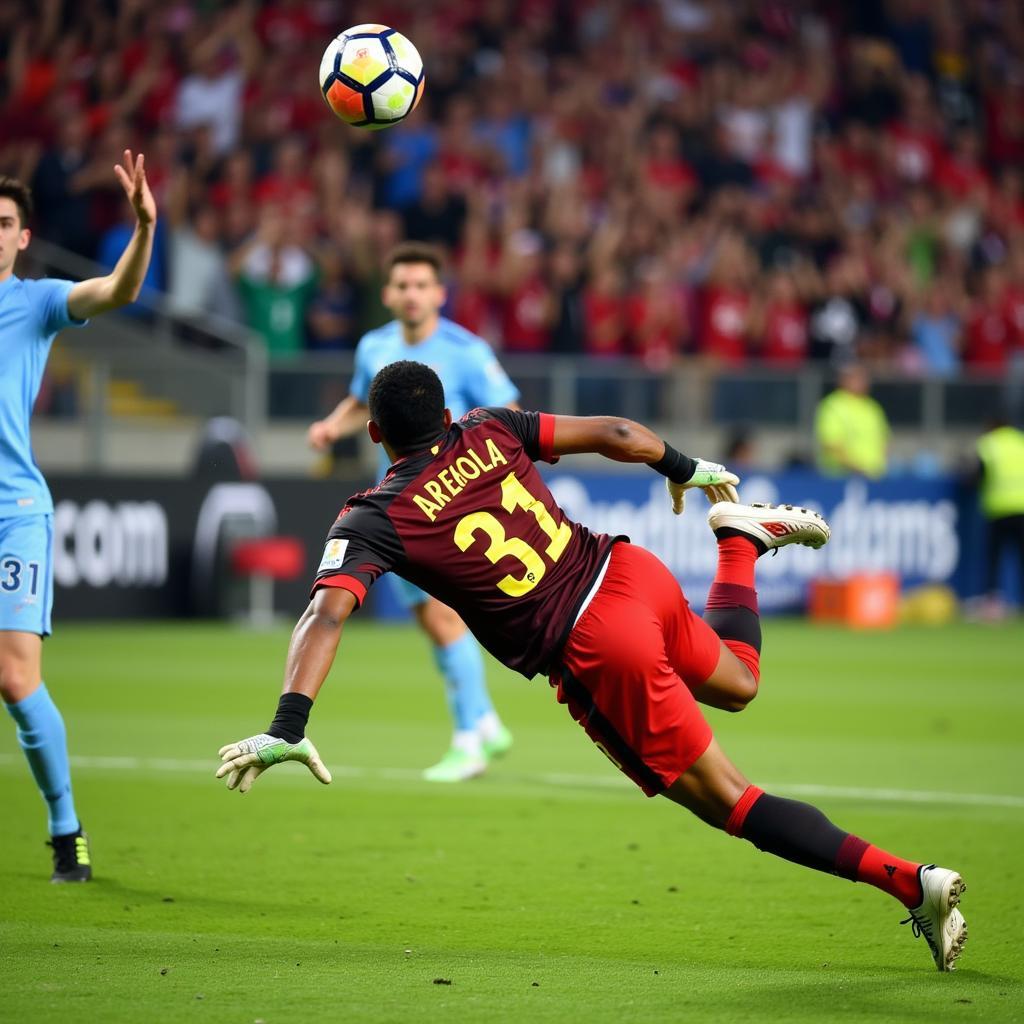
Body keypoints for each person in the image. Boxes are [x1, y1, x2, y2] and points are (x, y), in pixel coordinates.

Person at [220, 361, 968, 973]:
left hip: (595, 648)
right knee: (739, 682)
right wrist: (688, 466)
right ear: (447, 412)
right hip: (627, 571)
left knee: (732, 803)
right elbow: (615, 433)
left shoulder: (372, 516)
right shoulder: (488, 428)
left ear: (375, 433)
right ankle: (739, 541)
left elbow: (326, 612)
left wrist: (289, 723)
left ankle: (911, 883)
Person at [0, 152, 157, 882]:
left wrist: (143, 229)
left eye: (3, 224)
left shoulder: (34, 303)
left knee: (14, 676)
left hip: (13, 513)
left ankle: (66, 828)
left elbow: (116, 291)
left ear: (23, 237)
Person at [307, 243, 519, 782]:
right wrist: (334, 426)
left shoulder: (468, 351)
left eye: (422, 285)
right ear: (388, 294)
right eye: (402, 285)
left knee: (444, 616)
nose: (411, 294)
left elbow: (511, 413)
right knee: (430, 617)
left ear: (440, 294)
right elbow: (362, 402)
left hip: (455, 502)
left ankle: (470, 738)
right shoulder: (373, 347)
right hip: (403, 502)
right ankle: (486, 722)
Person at [975, 415, 1024, 616]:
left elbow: (979, 476)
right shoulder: (1020, 441)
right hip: (1022, 508)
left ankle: (993, 605)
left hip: (999, 509)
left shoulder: (989, 444)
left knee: (994, 559)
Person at [814, 362, 890, 478]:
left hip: (873, 476)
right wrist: (855, 468)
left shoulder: (872, 406)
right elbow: (830, 442)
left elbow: (884, 439)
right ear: (844, 380)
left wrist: (877, 467)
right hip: (842, 477)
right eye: (857, 378)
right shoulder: (834, 405)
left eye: (864, 378)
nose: (863, 382)